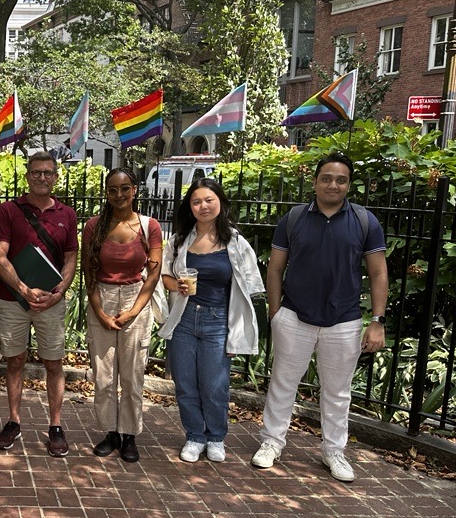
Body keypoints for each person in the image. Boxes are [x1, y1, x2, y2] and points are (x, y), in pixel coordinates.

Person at [252, 153, 387, 482]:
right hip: (295, 316)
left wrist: (377, 320)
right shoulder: (294, 219)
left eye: (341, 180)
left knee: (338, 391)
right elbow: (275, 268)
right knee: (283, 384)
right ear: (314, 182)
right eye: (326, 178)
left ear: (349, 185)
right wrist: (275, 311)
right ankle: (271, 443)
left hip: (344, 320)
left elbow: (379, 273)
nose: (333, 184)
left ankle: (333, 451)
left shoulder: (365, 222)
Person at [158, 178, 264, 463]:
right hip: (184, 318)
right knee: (185, 384)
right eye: (196, 201)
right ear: (190, 207)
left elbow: (250, 288)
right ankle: (194, 435)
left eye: (208, 200)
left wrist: (237, 331)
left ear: (220, 202)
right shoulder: (180, 240)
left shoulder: (236, 242)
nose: (203, 206)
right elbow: (164, 276)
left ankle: (216, 437)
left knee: (215, 385)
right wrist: (175, 284)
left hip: (218, 321)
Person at [0, 151, 78, 457]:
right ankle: (14, 420)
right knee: (14, 361)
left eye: (48, 173)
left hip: (51, 303)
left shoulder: (67, 214)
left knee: (53, 363)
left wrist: (59, 291)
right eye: (37, 172)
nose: (42, 177)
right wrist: (23, 288)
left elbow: (70, 258)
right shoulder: (7, 210)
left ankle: (55, 425)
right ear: (28, 175)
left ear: (56, 177)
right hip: (12, 299)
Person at [81, 168, 162, 463]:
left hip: (134, 298)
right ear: (106, 193)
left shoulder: (149, 226)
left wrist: (134, 311)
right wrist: (99, 311)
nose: (119, 195)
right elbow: (88, 271)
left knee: (131, 375)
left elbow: (153, 274)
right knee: (103, 376)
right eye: (113, 190)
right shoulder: (93, 226)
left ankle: (129, 434)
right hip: (102, 296)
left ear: (135, 190)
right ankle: (110, 432)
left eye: (125, 188)